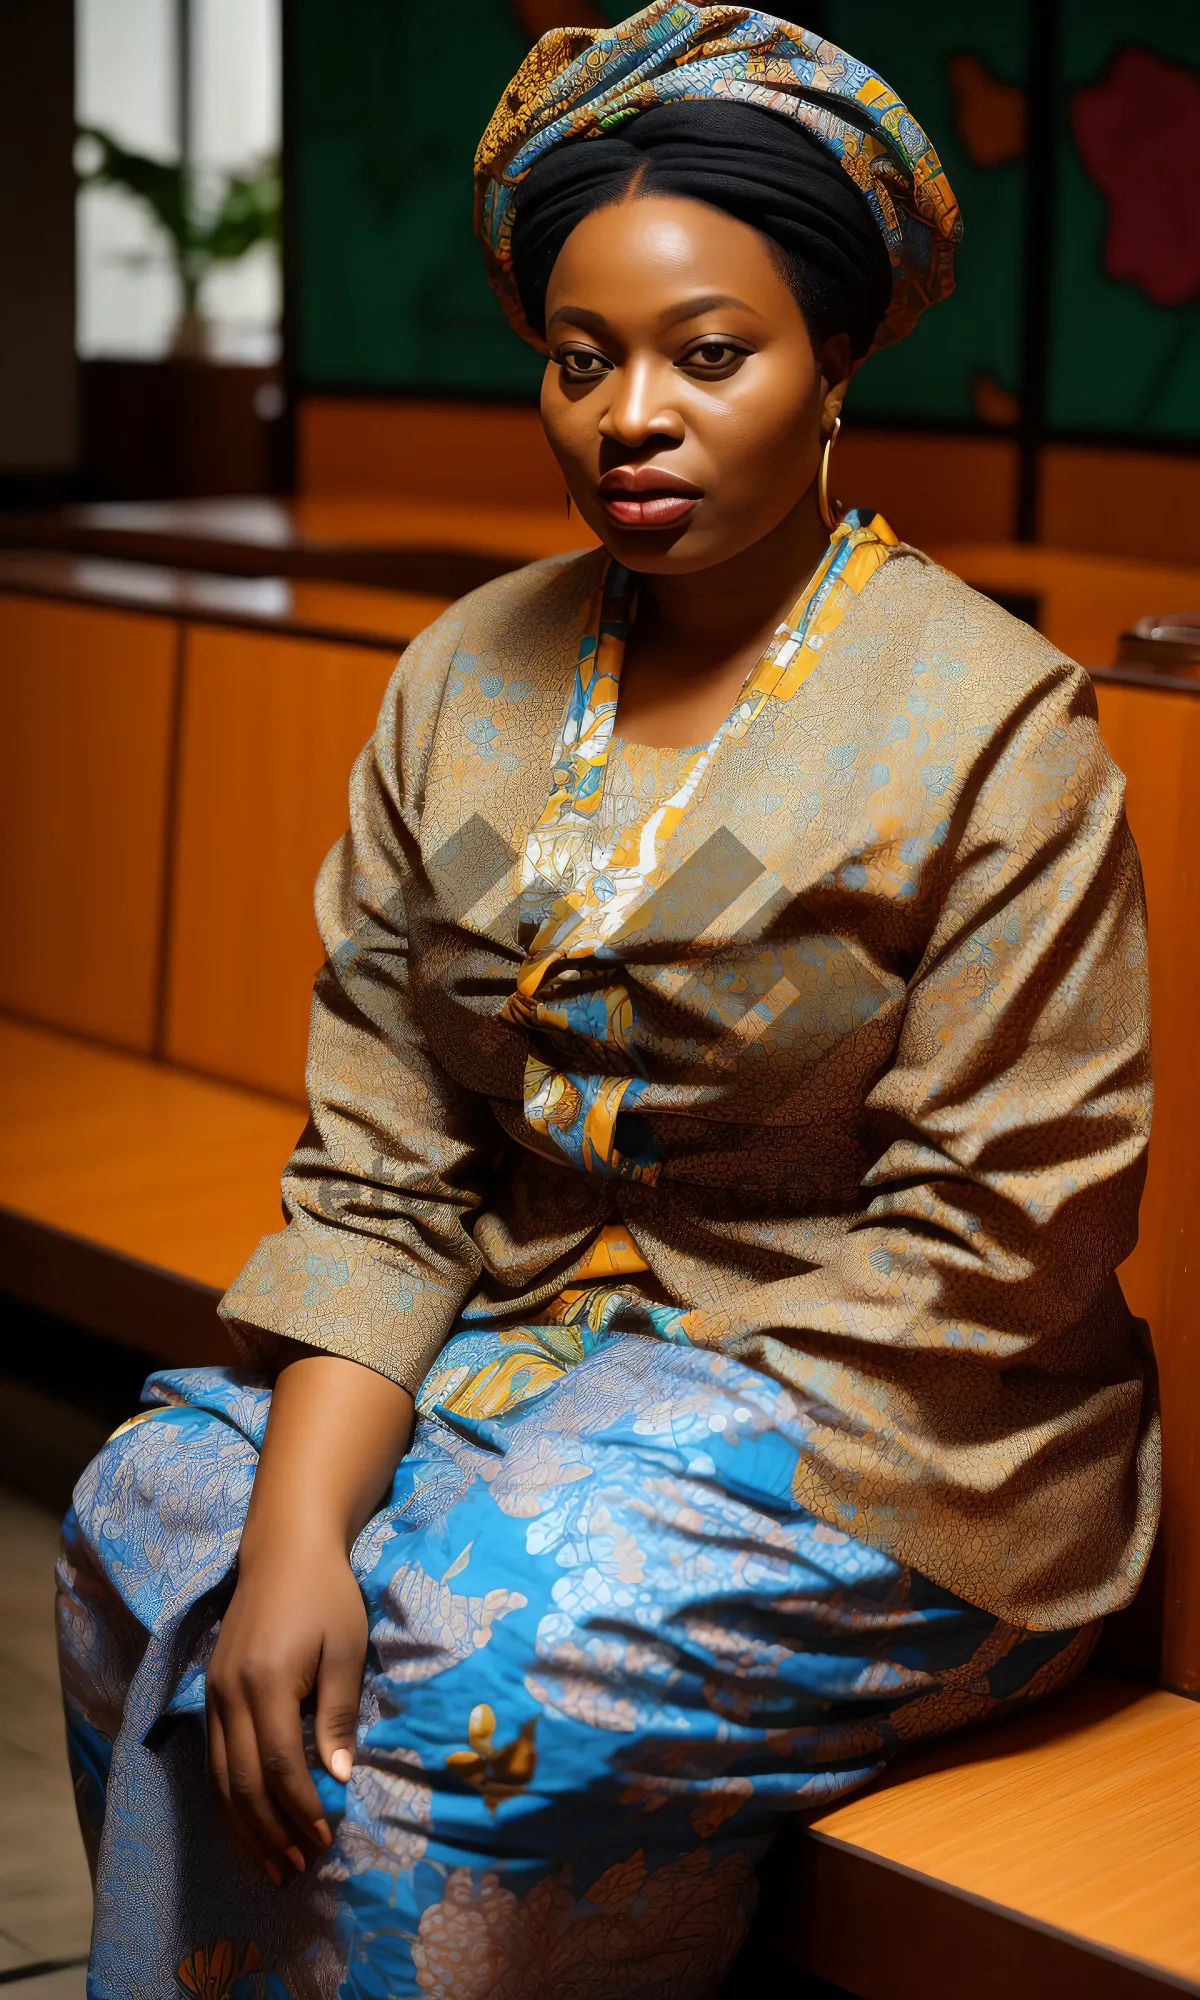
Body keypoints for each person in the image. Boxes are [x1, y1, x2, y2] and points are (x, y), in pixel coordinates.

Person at [58, 7, 1158, 1996]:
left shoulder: (992, 727)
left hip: (904, 1437)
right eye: (581, 363)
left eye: (707, 354)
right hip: (496, 1345)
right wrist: (314, 1510)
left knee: (455, 1642)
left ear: (833, 358)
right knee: (160, 1518)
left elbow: (1006, 1247)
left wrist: (551, 1438)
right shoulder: (463, 680)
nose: (628, 414)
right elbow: (384, 1167)